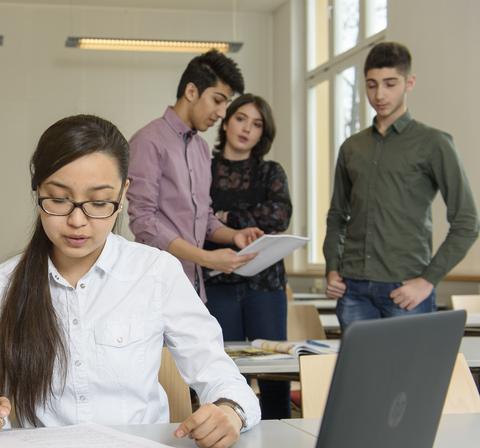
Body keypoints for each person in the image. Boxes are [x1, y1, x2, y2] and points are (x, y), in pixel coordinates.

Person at [0, 115, 260, 448]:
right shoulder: (1, 287)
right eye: (58, 200)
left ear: (124, 192)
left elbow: (218, 371)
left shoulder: (155, 272)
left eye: (99, 203)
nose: (77, 220)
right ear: (37, 189)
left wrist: (230, 411)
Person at [323, 42, 478, 330]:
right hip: (353, 290)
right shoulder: (351, 147)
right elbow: (337, 216)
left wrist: (427, 280)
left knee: (409, 376)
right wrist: (332, 267)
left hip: (406, 291)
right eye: (371, 85)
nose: (379, 95)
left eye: (390, 84)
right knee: (360, 375)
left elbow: (467, 221)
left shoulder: (434, 143)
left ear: (409, 83)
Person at [127, 49, 263, 303]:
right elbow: (143, 222)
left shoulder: (201, 149)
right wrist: (207, 257)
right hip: (156, 286)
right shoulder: (148, 141)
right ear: (191, 92)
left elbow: (205, 218)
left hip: (194, 287)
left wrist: (235, 235)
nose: (222, 112)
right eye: (218, 100)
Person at [203, 94, 293, 419]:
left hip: (265, 286)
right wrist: (245, 218)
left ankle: (281, 444)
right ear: (226, 122)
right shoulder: (204, 168)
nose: (247, 129)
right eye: (241, 118)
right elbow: (197, 218)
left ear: (263, 134)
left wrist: (228, 216)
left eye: (257, 124)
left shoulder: (270, 171)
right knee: (221, 373)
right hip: (217, 282)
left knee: (274, 375)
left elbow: (279, 216)